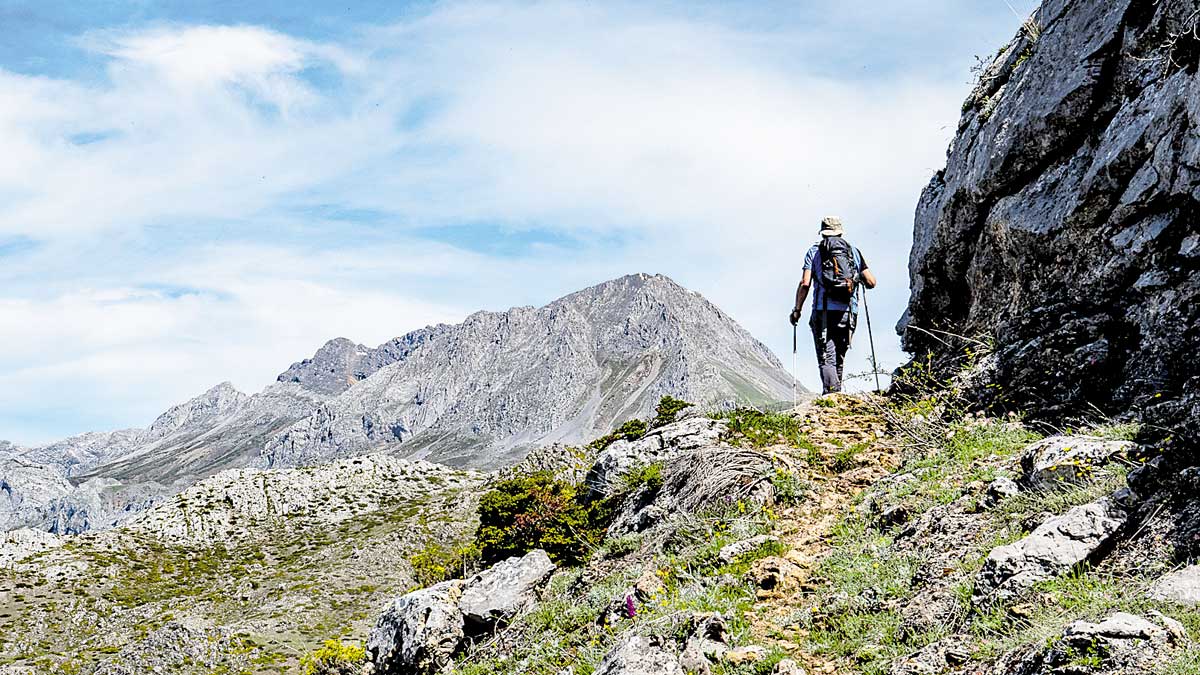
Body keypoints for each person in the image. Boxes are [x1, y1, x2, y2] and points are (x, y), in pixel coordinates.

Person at [789, 216, 877, 395]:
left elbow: (805, 283)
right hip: (848, 312)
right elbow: (872, 282)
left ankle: (832, 397)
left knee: (826, 357)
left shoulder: (814, 251)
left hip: (823, 312)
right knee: (839, 357)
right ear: (840, 231)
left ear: (822, 232)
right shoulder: (854, 252)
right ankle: (837, 396)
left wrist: (797, 310)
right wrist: (856, 279)